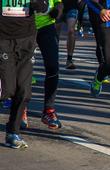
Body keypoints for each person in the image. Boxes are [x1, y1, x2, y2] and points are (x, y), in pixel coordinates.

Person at [0, 0, 49, 148]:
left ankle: (13, 133)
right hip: (3, 38)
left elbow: (44, 6)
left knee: (25, 91)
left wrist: (37, 3)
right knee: (7, 89)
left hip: (26, 38)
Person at [22, 0, 63, 130]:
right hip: (24, 26)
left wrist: (58, 10)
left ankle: (49, 110)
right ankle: (21, 108)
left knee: (53, 67)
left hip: (47, 26)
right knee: (24, 68)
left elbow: (58, 2)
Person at [56, 0, 79, 69]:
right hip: (57, 6)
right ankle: (54, 58)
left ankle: (69, 60)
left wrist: (80, 19)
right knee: (55, 32)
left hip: (72, 7)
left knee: (71, 31)